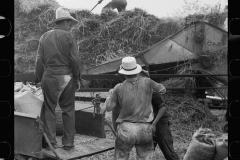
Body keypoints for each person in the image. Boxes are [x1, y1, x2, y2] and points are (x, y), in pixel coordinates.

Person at [102, 56, 166, 160]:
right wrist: (148, 80)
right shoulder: (148, 82)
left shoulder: (119, 87)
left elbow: (109, 108)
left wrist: (110, 95)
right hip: (145, 129)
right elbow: (163, 90)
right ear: (137, 70)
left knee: (121, 158)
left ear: (123, 73)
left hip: (126, 130)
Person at [35, 7, 81, 151]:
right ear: (65, 22)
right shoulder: (70, 37)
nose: (70, 26)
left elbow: (38, 60)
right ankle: (68, 143)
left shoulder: (44, 37)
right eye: (69, 23)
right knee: (68, 109)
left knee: (49, 108)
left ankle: (51, 143)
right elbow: (75, 59)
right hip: (67, 76)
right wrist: (77, 77)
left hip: (49, 77)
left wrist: (38, 77)